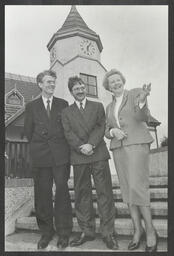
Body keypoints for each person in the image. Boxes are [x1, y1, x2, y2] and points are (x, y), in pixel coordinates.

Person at [103, 69, 158, 252]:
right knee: (127, 189)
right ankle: (137, 229)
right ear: (108, 86)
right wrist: (113, 132)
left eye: (118, 80)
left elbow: (143, 116)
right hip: (119, 149)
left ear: (123, 81)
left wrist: (143, 99)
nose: (116, 83)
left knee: (137, 187)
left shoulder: (134, 93)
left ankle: (150, 230)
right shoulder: (109, 107)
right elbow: (106, 130)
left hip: (137, 144)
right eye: (112, 82)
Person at [61, 76, 118, 250]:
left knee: (105, 194)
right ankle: (87, 231)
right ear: (71, 92)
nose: (80, 90)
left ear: (85, 88)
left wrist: (90, 144)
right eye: (76, 88)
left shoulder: (97, 106)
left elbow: (101, 127)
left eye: (82, 87)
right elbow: (67, 132)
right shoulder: (66, 112)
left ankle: (108, 234)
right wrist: (81, 147)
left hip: (98, 153)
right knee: (81, 195)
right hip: (79, 156)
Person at [24, 70, 72, 250]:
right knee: (42, 195)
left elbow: (67, 129)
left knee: (62, 193)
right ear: (40, 84)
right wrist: (40, 147)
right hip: (41, 157)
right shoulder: (31, 106)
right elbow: (28, 132)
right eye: (48, 82)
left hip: (60, 157)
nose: (52, 85)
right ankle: (46, 232)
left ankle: (64, 233)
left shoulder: (63, 104)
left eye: (53, 82)